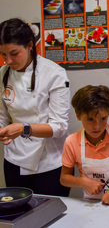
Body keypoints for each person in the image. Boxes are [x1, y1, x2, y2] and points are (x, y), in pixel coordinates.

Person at [0, 18, 70, 196]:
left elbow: (60, 126)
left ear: (30, 45)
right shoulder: (2, 74)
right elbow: (2, 117)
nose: (8, 60)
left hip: (49, 163)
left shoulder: (54, 74)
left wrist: (23, 129)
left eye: (14, 53)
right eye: (3, 55)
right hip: (14, 161)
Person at [60, 85, 109, 204]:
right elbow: (64, 179)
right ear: (78, 115)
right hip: (91, 204)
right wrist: (83, 182)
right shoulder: (72, 141)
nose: (97, 126)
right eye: (90, 119)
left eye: (103, 119)